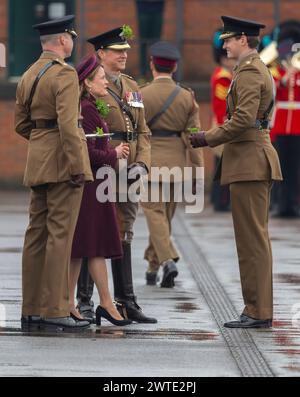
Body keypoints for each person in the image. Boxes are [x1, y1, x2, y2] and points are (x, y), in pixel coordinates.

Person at [190, 16, 282, 328]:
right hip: (250, 159)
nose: (223, 45)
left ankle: (256, 311)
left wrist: (205, 138)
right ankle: (258, 308)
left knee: (251, 241)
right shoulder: (253, 69)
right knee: (255, 239)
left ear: (243, 39)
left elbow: (242, 120)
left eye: (227, 40)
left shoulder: (250, 71)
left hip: (249, 161)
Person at [15, 15, 92, 331]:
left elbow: (21, 124)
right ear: (63, 40)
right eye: (71, 37)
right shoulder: (64, 74)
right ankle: (57, 307)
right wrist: (78, 167)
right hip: (62, 163)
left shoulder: (29, 74)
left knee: (36, 234)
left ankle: (32, 307)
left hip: (38, 161)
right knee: (61, 235)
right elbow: (69, 126)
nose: (72, 42)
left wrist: (42, 142)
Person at [76, 26, 157, 323]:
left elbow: (143, 131)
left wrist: (144, 164)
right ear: (101, 54)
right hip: (105, 168)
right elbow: (90, 134)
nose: (124, 55)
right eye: (117, 51)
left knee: (124, 232)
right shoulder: (91, 87)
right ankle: (84, 301)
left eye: (125, 50)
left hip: (131, 170)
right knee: (93, 231)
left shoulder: (131, 85)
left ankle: (126, 300)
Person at [69, 54, 131, 327]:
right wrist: (114, 153)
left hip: (96, 185)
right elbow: (89, 152)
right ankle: (101, 303)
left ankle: (73, 303)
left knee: (84, 247)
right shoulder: (87, 107)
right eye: (101, 79)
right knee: (90, 246)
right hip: (92, 186)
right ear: (88, 83)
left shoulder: (90, 105)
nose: (106, 82)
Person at [140, 41, 204, 287]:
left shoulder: (141, 94)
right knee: (163, 219)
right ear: (174, 67)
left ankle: (167, 261)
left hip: (149, 162)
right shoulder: (187, 97)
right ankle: (152, 266)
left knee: (155, 215)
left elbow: (134, 132)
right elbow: (194, 138)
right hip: (177, 166)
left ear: (152, 65)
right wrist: (197, 175)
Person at [269, 20, 300, 217]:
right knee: (279, 167)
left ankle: (293, 204)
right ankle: (280, 203)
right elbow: (270, 90)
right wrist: (283, 79)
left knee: (295, 167)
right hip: (280, 125)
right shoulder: (275, 70)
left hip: (297, 125)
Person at [210, 29, 235, 212]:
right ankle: (221, 201)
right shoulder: (222, 78)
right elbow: (221, 105)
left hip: (223, 125)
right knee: (222, 167)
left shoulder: (226, 74)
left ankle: (221, 199)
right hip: (222, 125)